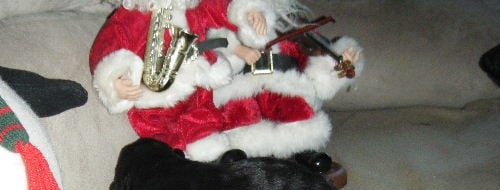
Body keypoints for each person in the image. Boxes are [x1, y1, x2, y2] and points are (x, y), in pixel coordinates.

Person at [89, 0, 363, 162]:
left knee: (208, 127)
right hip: (158, 98)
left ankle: (228, 161)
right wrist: (115, 81)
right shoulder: (130, 18)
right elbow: (107, 51)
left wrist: (249, 12)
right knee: (176, 138)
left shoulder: (197, 7)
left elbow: (225, 9)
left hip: (203, 93)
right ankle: (202, 167)